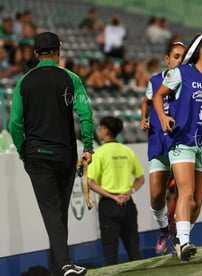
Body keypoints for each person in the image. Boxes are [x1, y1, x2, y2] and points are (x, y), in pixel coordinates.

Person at [8, 31, 94, 275]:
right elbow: (85, 115)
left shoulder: (24, 82)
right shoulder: (71, 78)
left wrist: (24, 151)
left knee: (52, 213)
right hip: (64, 155)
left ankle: (61, 266)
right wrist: (88, 147)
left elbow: (14, 123)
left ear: (36, 54)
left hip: (37, 155)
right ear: (58, 52)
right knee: (58, 213)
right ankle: (63, 265)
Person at [153, 33, 202, 261]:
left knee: (197, 201)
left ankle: (180, 238)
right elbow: (158, 97)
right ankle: (184, 242)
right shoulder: (180, 73)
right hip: (183, 139)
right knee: (186, 191)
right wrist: (163, 118)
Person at [140, 41, 186, 256]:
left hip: (179, 141)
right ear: (167, 59)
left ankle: (181, 238)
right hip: (158, 140)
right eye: (176, 56)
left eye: (183, 57)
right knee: (157, 196)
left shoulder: (188, 80)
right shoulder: (156, 80)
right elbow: (146, 101)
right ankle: (164, 230)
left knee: (183, 193)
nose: (180, 60)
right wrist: (143, 119)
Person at [87, 116, 145, 265]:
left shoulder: (99, 153)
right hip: (128, 204)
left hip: (109, 205)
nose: (99, 131)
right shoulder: (127, 151)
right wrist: (128, 193)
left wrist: (113, 197)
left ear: (106, 130)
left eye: (100, 128)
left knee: (110, 254)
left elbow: (90, 182)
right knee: (134, 251)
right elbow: (140, 179)